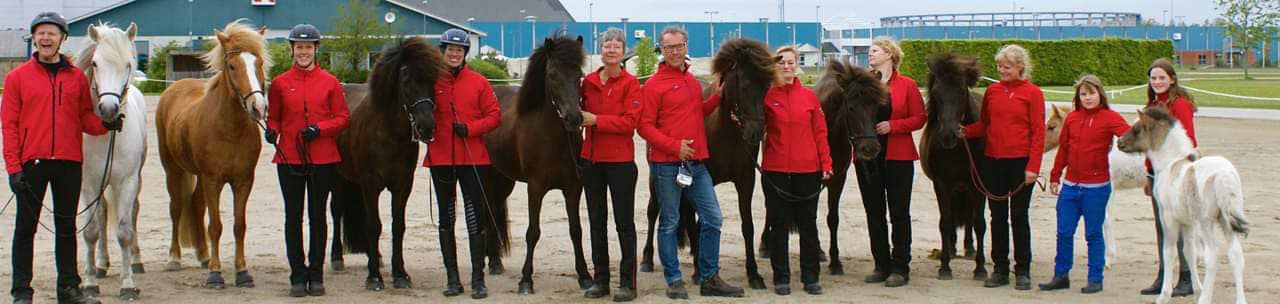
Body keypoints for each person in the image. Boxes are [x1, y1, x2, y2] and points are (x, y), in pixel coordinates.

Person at [3, 11, 117, 304]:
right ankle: (21, 292)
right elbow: (10, 126)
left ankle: (68, 289)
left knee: (66, 228)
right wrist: (14, 169)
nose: (45, 38)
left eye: (51, 33)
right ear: (34, 39)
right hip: (32, 163)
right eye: (40, 33)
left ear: (62, 39)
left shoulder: (76, 77)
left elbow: (83, 118)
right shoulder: (17, 78)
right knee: (25, 229)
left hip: (68, 162)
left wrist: (105, 125)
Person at [638, 25, 744, 299]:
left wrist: (718, 99)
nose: (675, 51)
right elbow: (645, 127)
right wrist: (675, 147)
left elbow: (696, 113)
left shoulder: (691, 81)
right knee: (670, 222)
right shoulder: (652, 85)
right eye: (669, 47)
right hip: (666, 165)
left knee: (713, 219)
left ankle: (709, 277)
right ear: (661, 50)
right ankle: (674, 280)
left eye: (679, 46)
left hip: (696, 164)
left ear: (686, 47)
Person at [265, 23, 349, 298]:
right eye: (299, 47)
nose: (303, 52)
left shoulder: (330, 82)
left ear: (315, 50)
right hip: (289, 157)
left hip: (322, 157)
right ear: (292, 50)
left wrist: (320, 130)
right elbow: (275, 115)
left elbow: (341, 118)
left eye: (308, 47)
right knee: (293, 217)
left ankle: (316, 274)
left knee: (317, 216)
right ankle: (297, 274)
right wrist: (272, 129)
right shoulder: (279, 83)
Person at [425, 28, 501, 299]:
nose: (454, 54)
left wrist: (470, 128)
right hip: (441, 158)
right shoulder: (431, 81)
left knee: (474, 218)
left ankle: (478, 279)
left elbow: (494, 117)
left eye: (459, 50)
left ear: (465, 53)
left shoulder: (479, 82)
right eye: (449, 50)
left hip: (473, 159)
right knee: (446, 219)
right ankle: (452, 279)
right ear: (442, 52)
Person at [961, 44, 1045, 291]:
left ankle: (1023, 270)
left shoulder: (1032, 93)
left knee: (1019, 216)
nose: (1002, 70)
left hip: (1020, 162)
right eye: (999, 66)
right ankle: (999, 268)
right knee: (996, 216)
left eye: (1007, 67)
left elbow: (1039, 132)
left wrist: (1033, 167)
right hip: (993, 161)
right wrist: (965, 131)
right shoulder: (993, 92)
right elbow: (985, 124)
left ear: (1020, 66)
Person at [1039, 75, 1129, 294]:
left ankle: (1095, 278)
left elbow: (1128, 134)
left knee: (1093, 233)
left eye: (1091, 93)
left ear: (1100, 94)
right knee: (1064, 231)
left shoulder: (1110, 117)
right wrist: (1054, 174)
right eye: (1083, 94)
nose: (1088, 98)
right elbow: (1065, 149)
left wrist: (1131, 145)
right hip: (1071, 186)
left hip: (1096, 187)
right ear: (1078, 97)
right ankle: (1061, 275)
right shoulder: (1072, 119)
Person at [760, 45, 833, 296]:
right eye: (781, 63)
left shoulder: (810, 97)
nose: (787, 66)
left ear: (797, 64)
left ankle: (811, 277)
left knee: (808, 225)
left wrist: (827, 164)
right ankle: (781, 277)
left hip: (808, 171)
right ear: (774, 66)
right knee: (778, 226)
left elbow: (820, 133)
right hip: (775, 170)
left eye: (791, 62)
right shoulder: (767, 97)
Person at [579, 28, 642, 302]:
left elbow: (631, 122)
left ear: (623, 50)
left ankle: (628, 282)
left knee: (624, 224)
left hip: (620, 162)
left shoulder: (631, 84)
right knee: (596, 221)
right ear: (601, 50)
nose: (612, 50)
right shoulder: (587, 82)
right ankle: (600, 279)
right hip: (590, 161)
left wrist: (597, 121)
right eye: (607, 45)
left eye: (617, 46)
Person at [857, 37, 925, 288]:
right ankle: (880, 264)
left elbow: (919, 117)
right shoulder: (863, 84)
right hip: (867, 159)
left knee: (899, 213)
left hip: (899, 157)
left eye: (874, 51)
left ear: (889, 53)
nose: (870, 55)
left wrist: (893, 126)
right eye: (870, 51)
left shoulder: (907, 85)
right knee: (874, 212)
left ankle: (900, 267)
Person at [1138, 58, 1197, 297]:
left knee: (1180, 226)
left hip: (1176, 174)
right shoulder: (1152, 105)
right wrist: (1147, 172)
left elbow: (1189, 140)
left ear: (1172, 79)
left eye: (1162, 77)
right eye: (1153, 78)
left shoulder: (1179, 105)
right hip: (1156, 173)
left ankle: (1186, 276)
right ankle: (1164, 275)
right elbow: (1149, 144)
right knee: (1162, 226)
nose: (1157, 82)